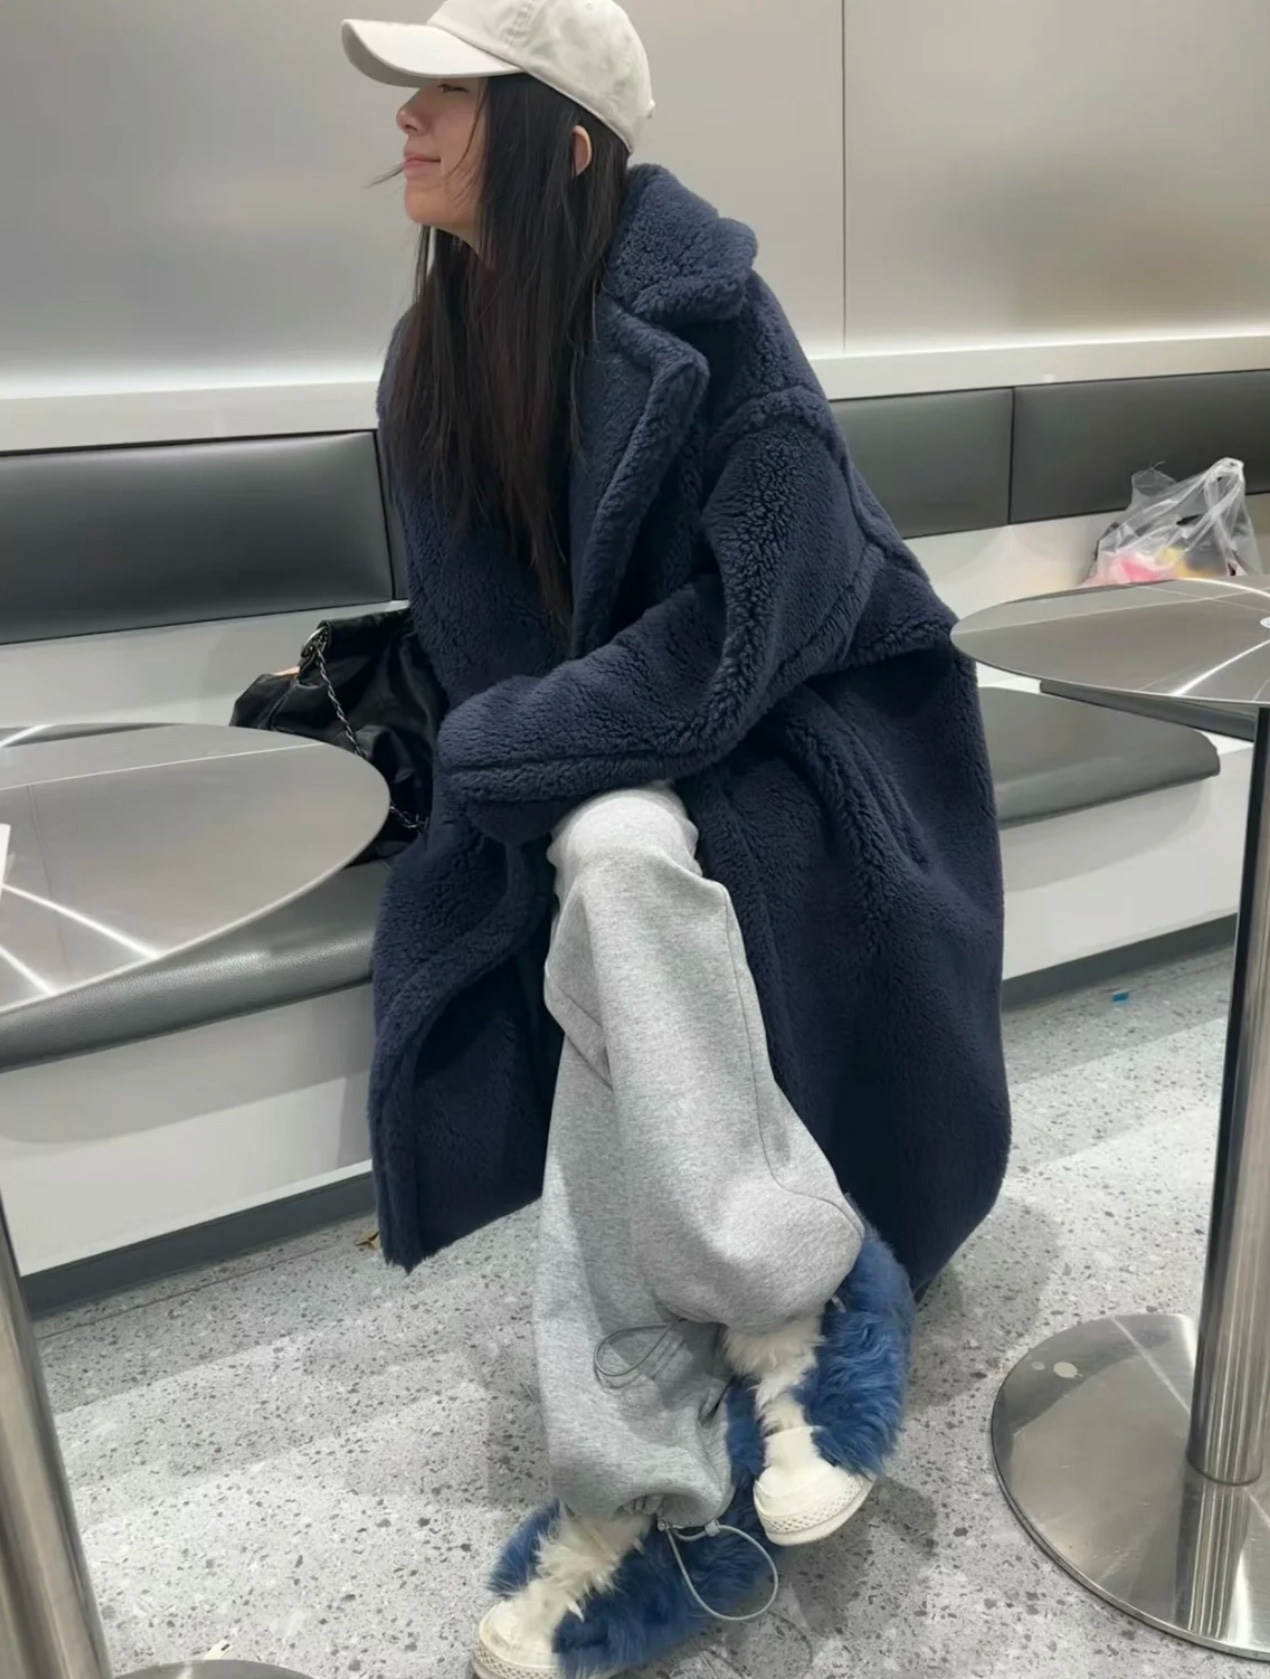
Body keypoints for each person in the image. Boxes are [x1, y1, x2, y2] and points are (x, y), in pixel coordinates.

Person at [342, 2, 1010, 1674]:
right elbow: (482, 646)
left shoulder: (716, 321)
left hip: (812, 731)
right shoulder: (433, 357)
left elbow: (757, 621)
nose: (406, 120)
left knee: (614, 869)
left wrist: (518, 752)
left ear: (562, 145)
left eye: (446, 93)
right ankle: (796, 1304)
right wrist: (527, 752)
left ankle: (633, 1500)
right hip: (615, 759)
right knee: (615, 868)